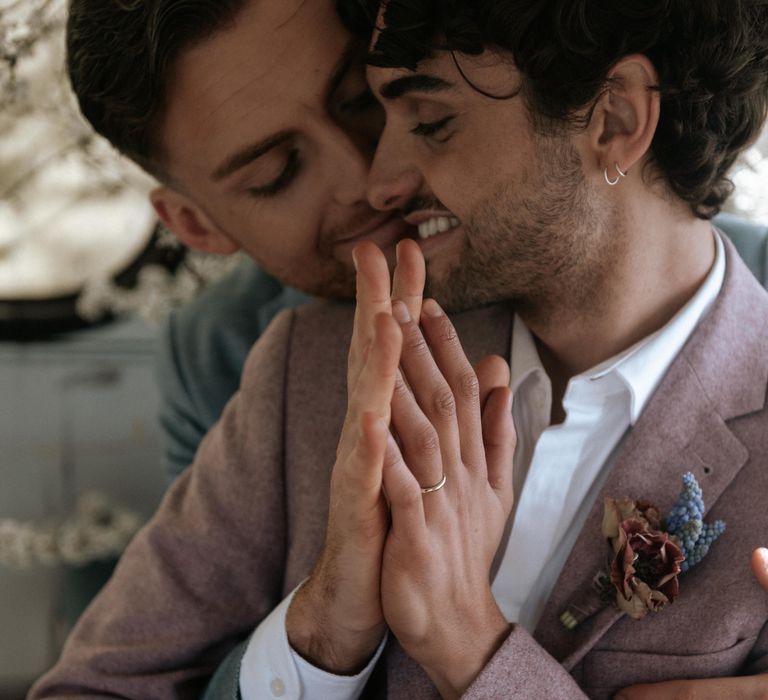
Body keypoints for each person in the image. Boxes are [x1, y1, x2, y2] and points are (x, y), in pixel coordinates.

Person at [30, 0, 768, 699]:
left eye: (431, 120)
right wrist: (318, 632)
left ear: (615, 118)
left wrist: (468, 646)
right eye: (275, 173)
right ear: (194, 223)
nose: (378, 182)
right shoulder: (307, 364)